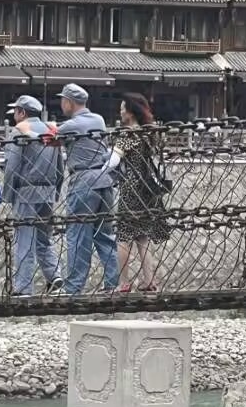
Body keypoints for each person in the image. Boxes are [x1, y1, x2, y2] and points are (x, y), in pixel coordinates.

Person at [17, 84, 119, 294]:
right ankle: (113, 283)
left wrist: (27, 131)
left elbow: (46, 140)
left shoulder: (71, 125)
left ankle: (73, 287)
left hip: (83, 182)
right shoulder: (98, 120)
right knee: (104, 235)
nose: (61, 104)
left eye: (63, 100)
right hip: (104, 180)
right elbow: (60, 139)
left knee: (78, 235)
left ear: (69, 102)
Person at [105, 93, 171, 292]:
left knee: (123, 237)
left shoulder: (127, 135)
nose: (120, 112)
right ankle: (149, 281)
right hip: (148, 190)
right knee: (143, 236)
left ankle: (124, 283)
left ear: (131, 112)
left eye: (123, 108)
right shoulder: (150, 133)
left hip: (131, 188)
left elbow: (113, 162)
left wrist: (100, 168)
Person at [4, 95, 64, 296]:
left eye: (15, 111)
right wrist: (56, 191)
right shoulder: (51, 130)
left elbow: (12, 166)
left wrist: (8, 194)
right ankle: (54, 275)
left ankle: (23, 287)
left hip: (26, 191)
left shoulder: (19, 131)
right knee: (44, 238)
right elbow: (60, 166)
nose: (14, 115)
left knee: (24, 240)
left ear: (22, 112)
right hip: (48, 191)